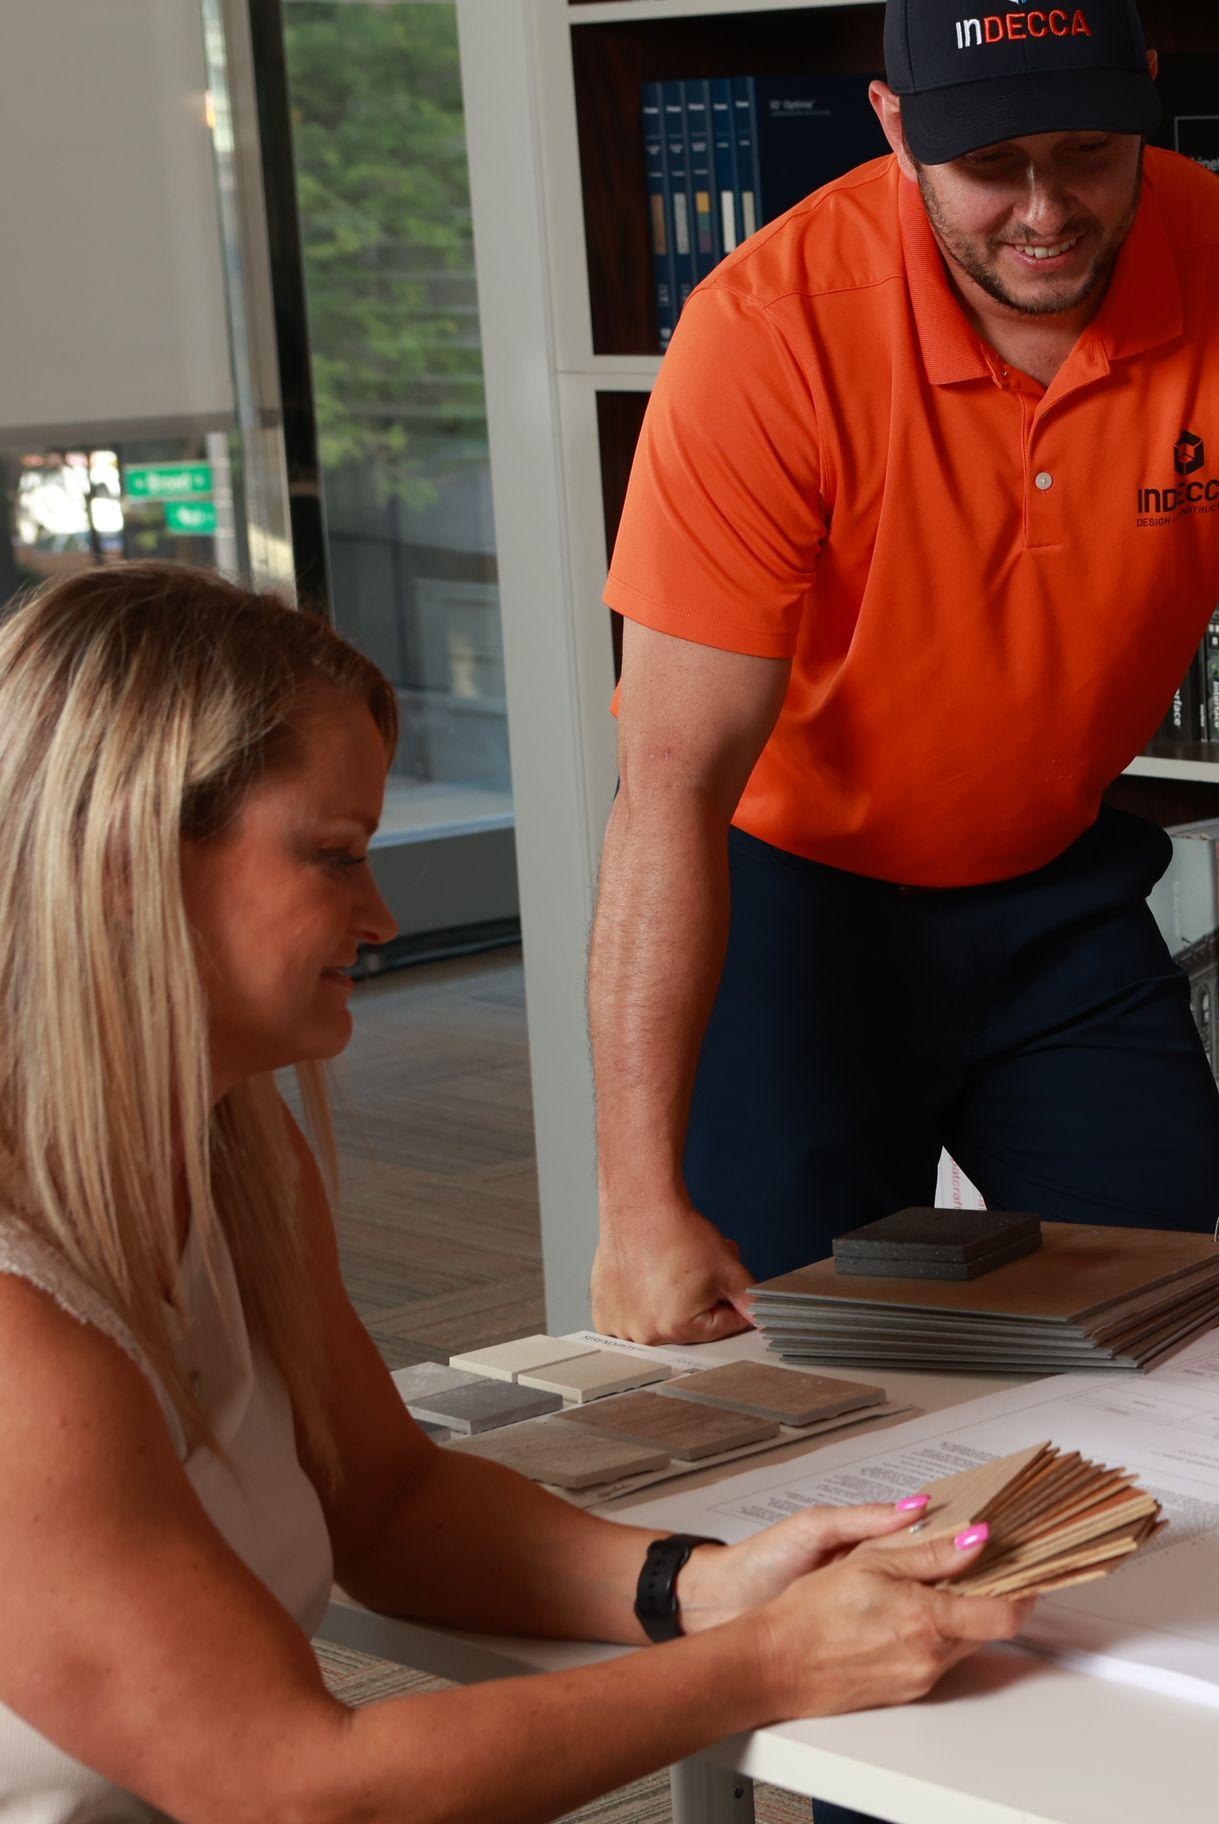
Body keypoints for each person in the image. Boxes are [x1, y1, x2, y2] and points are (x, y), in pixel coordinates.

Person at [590, 0, 1219, 1346]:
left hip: (1054, 901)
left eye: (1086, 151)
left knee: (1192, 1333)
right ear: (896, 130)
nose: (1043, 210)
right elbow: (669, 787)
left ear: (1146, 97)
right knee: (785, 1373)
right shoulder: (769, 333)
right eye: (991, 165)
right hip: (795, 909)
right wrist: (633, 1201)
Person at [0, 563, 1028, 1824]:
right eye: (331, 856)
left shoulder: (231, 1142)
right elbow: (298, 1792)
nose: (380, 915)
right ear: (120, 862)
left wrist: (711, 1587)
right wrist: (769, 1662)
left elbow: (386, 1501)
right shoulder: (16, 1331)